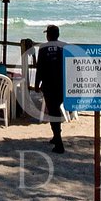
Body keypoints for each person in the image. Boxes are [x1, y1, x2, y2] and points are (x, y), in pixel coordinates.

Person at [32, 23, 67, 153]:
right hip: (63, 83)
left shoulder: (43, 48)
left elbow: (40, 67)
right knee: (56, 109)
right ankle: (56, 136)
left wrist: (37, 84)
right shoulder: (65, 46)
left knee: (53, 112)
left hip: (49, 84)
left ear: (48, 35)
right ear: (58, 35)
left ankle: (59, 143)